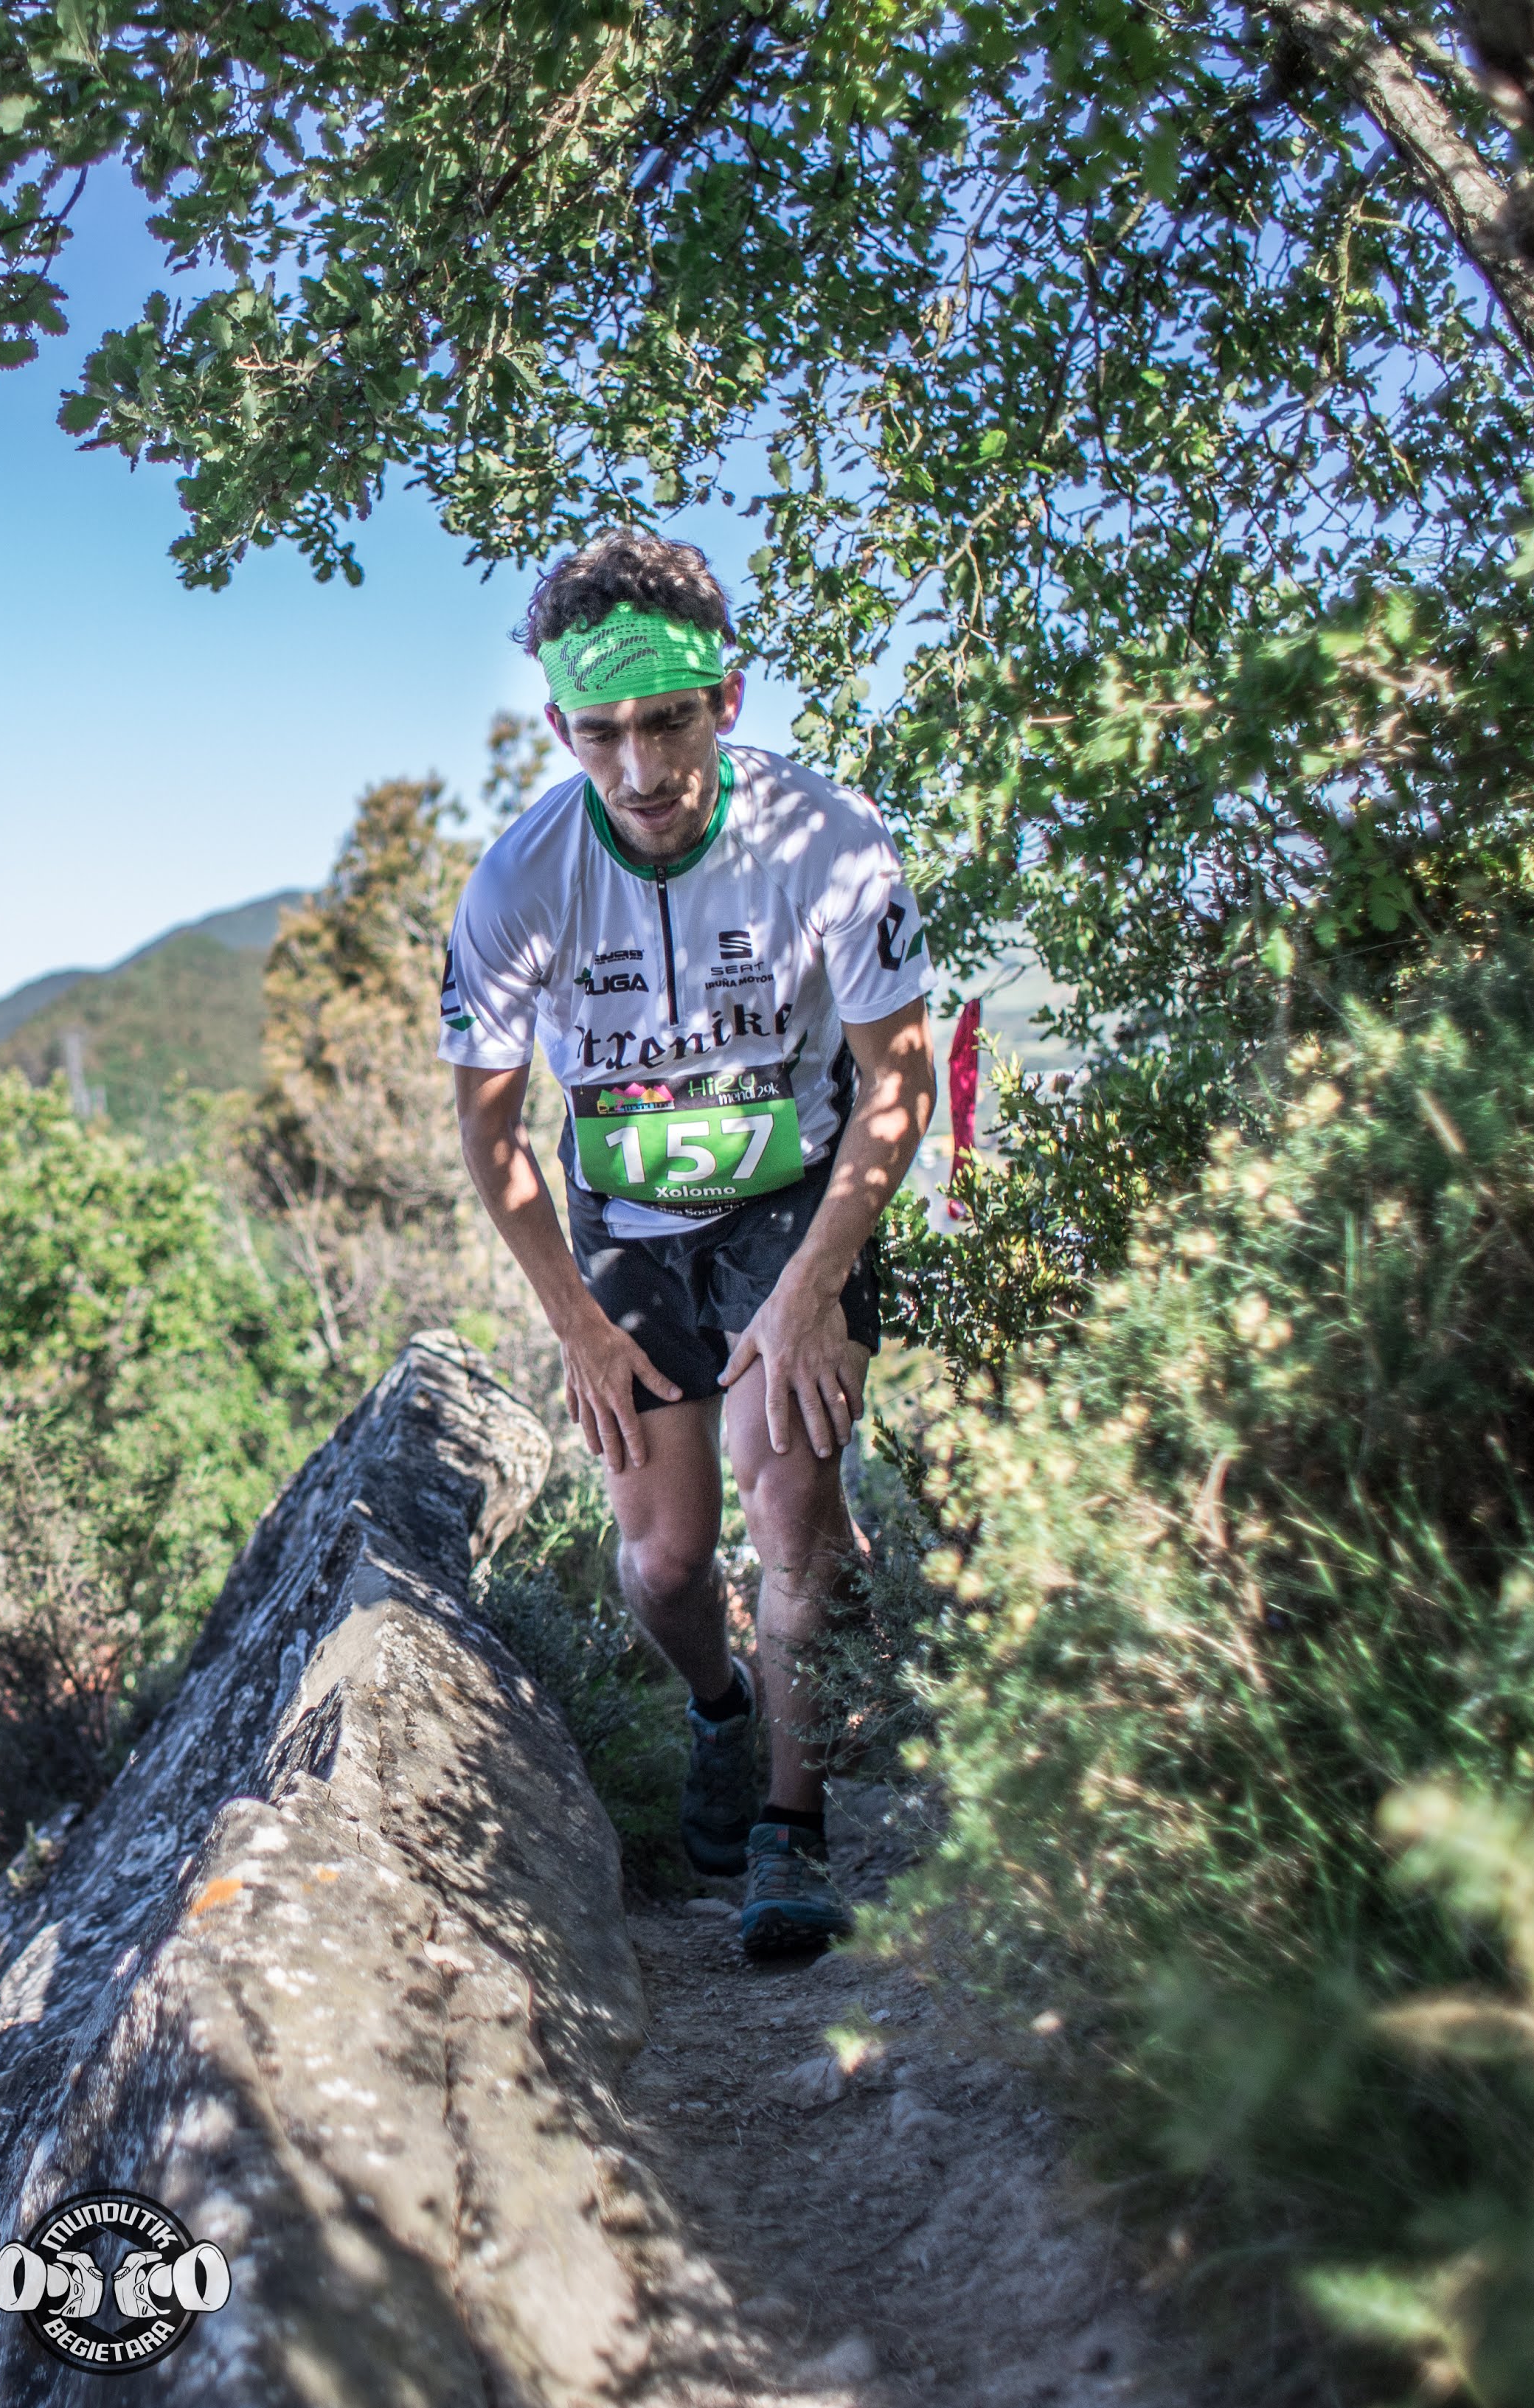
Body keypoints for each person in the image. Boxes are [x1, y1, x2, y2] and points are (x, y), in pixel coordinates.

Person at [441, 530, 935, 1956]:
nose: (641, 770)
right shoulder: (517, 884)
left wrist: (816, 1283)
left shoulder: (829, 841)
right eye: (600, 733)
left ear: (725, 695)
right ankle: (722, 1714)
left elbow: (895, 1083)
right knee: (663, 1561)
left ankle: (792, 1825)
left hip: (797, 1205)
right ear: (558, 727)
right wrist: (578, 1330)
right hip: (628, 1230)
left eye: (667, 720)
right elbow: (491, 1136)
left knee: (787, 1515)